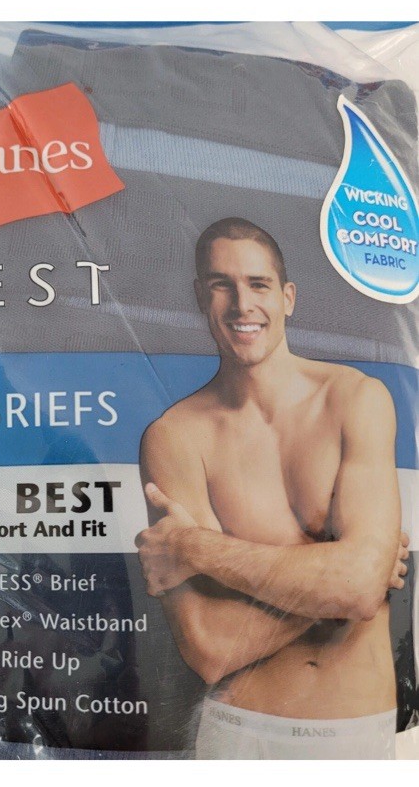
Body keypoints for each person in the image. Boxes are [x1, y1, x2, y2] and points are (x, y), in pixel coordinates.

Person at [137, 217, 409, 758]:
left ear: (287, 298)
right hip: (239, 731)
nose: (243, 304)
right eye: (222, 285)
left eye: (258, 284)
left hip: (361, 727)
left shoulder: (355, 398)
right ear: (201, 297)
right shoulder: (176, 437)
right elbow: (210, 648)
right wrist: (348, 575)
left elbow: (358, 586)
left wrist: (197, 549)